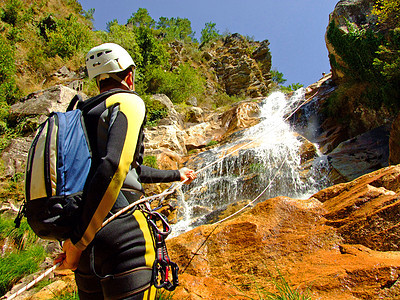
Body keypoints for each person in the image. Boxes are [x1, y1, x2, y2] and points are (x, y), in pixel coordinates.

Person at [55, 43, 196, 299]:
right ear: (129, 76)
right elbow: (115, 167)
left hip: (87, 251)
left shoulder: (81, 114)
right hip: (125, 236)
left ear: (98, 80)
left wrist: (177, 174)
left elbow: (129, 170)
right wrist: (78, 243)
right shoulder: (128, 101)